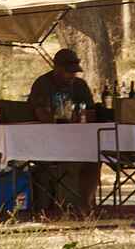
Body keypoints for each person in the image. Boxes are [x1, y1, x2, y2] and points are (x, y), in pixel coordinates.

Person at [25, 49, 98, 213]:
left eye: (74, 72)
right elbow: (40, 114)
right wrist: (63, 117)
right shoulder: (43, 84)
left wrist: (78, 117)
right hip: (46, 141)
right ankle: (61, 203)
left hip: (76, 140)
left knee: (94, 158)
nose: (72, 76)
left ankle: (85, 204)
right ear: (57, 68)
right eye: (68, 72)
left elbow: (91, 113)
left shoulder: (79, 85)